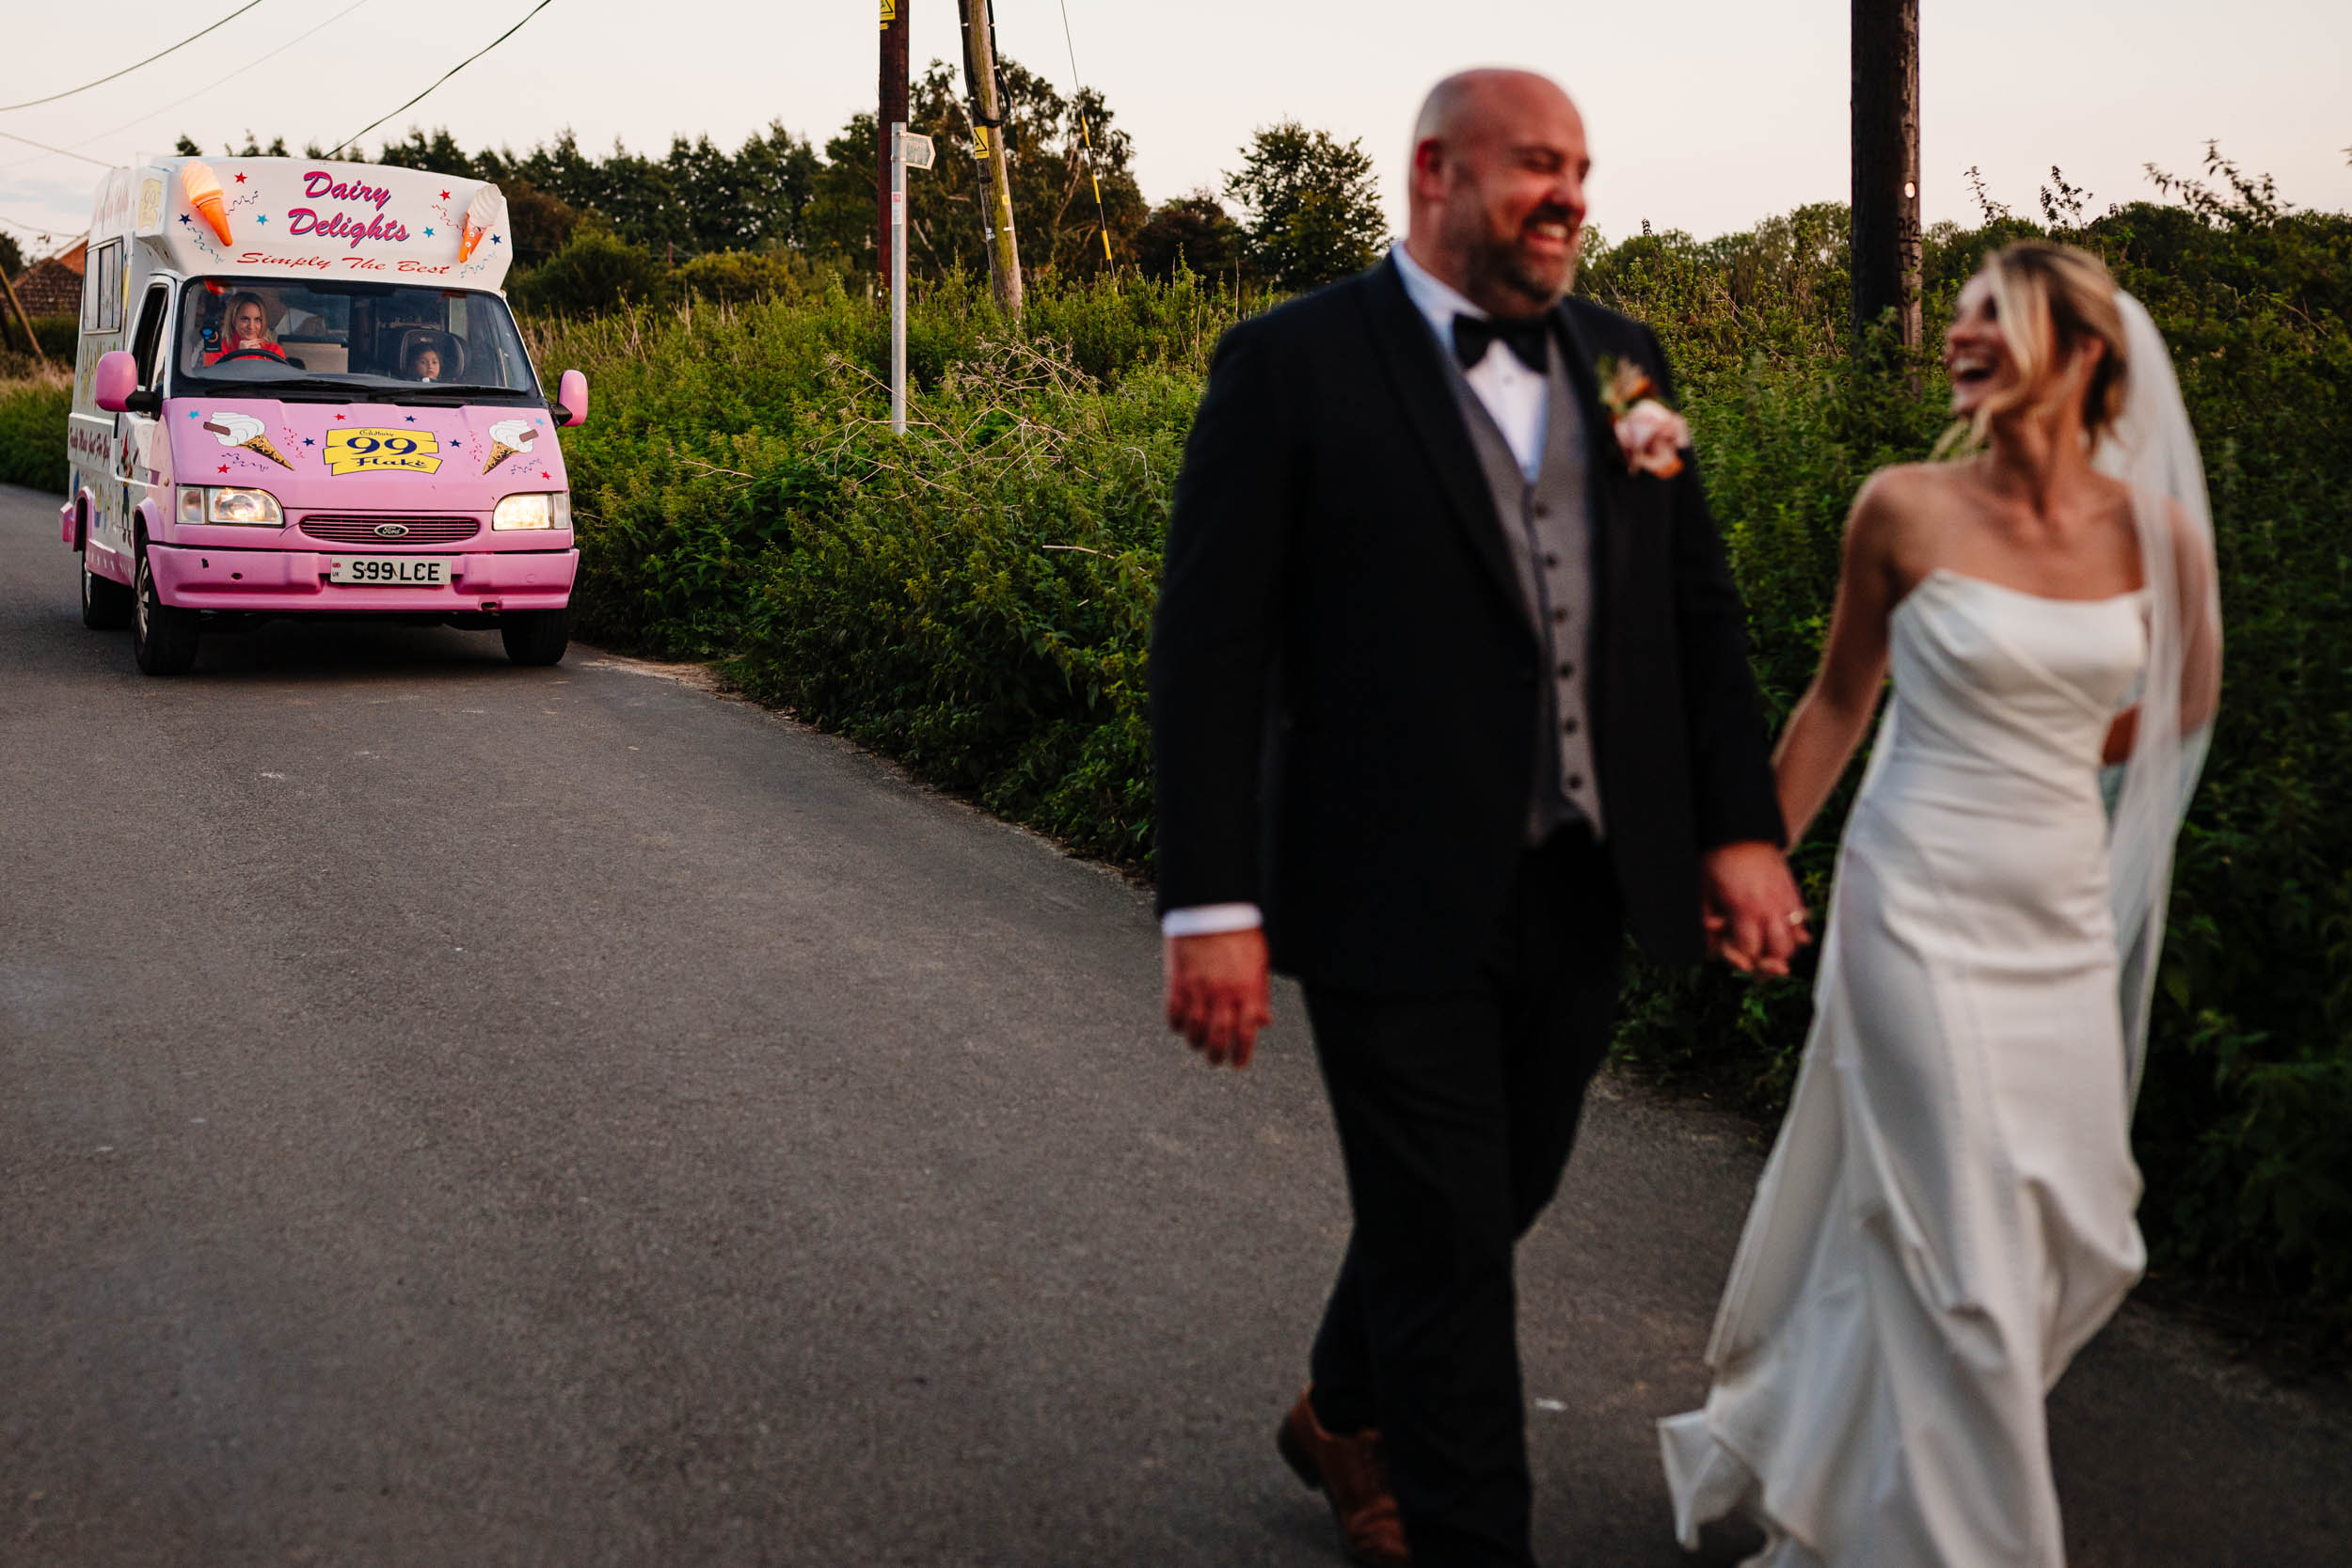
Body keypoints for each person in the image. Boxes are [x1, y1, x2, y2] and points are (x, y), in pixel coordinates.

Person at [1151, 69, 1806, 1568]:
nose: (1569, 192)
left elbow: (1690, 612)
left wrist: (1741, 823)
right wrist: (1212, 898)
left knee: (1497, 1186)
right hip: (1384, 883)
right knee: (1452, 1250)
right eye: (1533, 166)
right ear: (1434, 171)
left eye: (1579, 165)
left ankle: (1340, 1404)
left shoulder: (1628, 366)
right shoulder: (1291, 364)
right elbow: (1212, 649)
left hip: (1586, 878)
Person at [1658, 243, 2220, 1566]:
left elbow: (2182, 702)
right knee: (1963, 1242)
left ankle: (1842, 1479)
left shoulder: (2158, 532)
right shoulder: (1901, 507)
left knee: (2048, 1239)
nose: (1959, 335)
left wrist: (2043, 749)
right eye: (1959, 314)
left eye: (1992, 317)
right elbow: (1838, 702)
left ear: (2082, 354)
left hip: (2058, 913)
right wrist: (1755, 860)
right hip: (1913, 892)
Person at [203, 292, 284, 365]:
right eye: (245, 319)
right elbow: (213, 380)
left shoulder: (274, 351)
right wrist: (242, 355)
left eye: (258, 320)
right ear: (233, 320)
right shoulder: (215, 349)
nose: (251, 326)